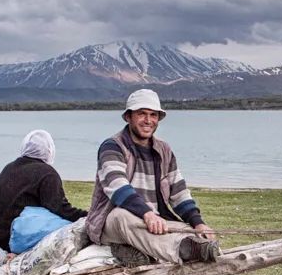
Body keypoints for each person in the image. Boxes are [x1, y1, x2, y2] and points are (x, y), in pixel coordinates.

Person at [86, 89, 219, 264]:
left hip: (155, 220)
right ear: (128, 117)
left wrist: (197, 223)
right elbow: (117, 186)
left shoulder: (164, 150)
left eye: (153, 115)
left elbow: (179, 192)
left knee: (199, 235)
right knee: (122, 216)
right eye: (142, 114)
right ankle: (184, 250)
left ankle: (195, 246)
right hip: (112, 222)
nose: (148, 120)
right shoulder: (112, 147)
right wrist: (147, 213)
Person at [0, 129, 88, 251]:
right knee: (65, 227)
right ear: (50, 150)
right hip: (10, 241)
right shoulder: (47, 173)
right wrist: (88, 217)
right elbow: (61, 209)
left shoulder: (10, 167)